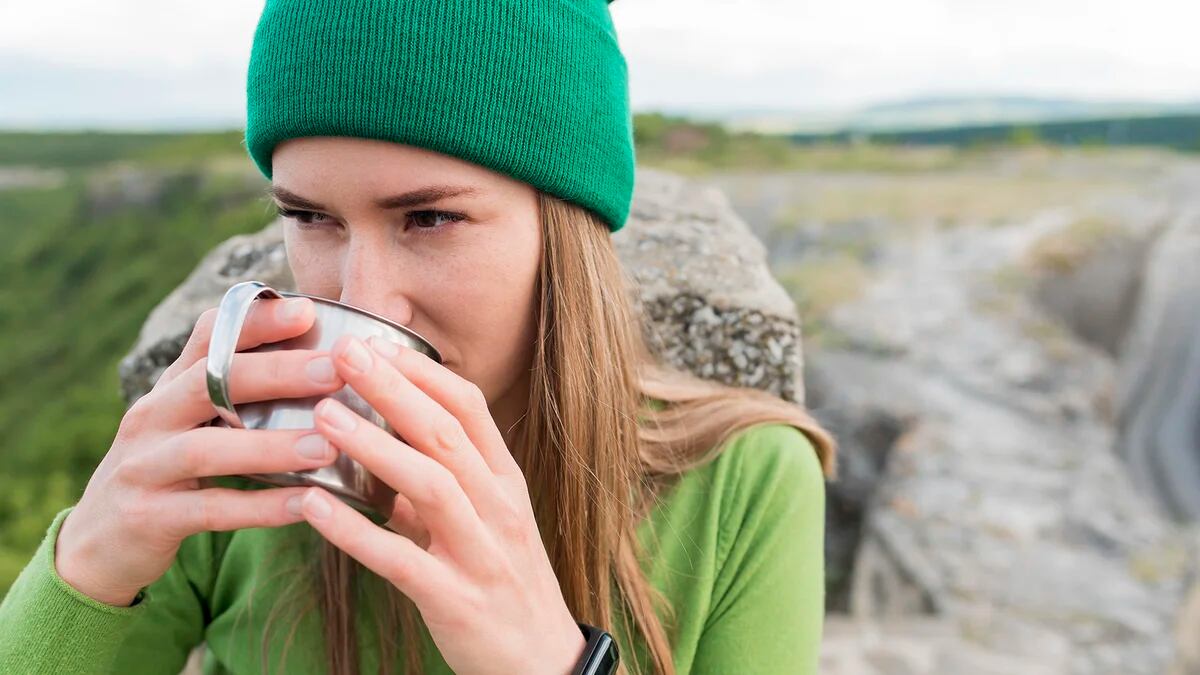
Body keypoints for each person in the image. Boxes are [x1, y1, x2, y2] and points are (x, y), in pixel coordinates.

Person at [0, 0, 838, 673]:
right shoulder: (235, 464)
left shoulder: (745, 483)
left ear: (566, 230)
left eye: (430, 217)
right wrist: (87, 567)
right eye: (310, 216)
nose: (365, 302)